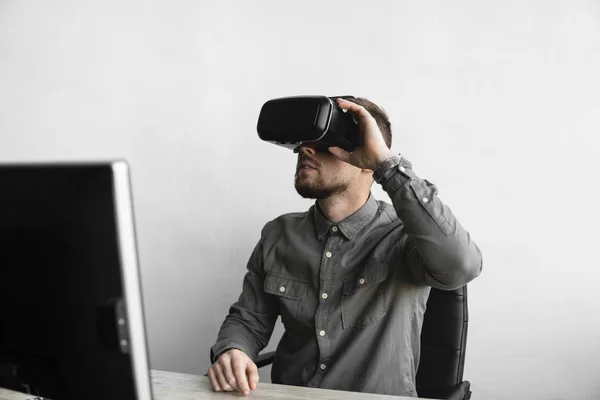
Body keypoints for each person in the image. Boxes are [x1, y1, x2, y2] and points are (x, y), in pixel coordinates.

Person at [207, 97, 483, 397]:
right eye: (305, 142)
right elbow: (249, 320)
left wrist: (387, 167)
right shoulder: (279, 234)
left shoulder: (406, 236)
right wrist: (234, 349)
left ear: (366, 158)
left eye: (328, 142)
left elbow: (462, 266)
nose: (306, 149)